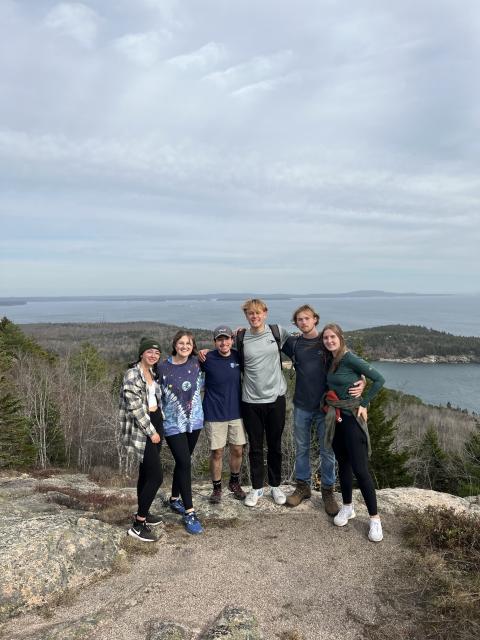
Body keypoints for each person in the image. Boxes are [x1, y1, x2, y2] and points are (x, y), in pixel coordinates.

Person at [282, 305, 364, 515]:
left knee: (328, 450)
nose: (303, 322)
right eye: (299, 320)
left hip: (325, 408)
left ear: (315, 319)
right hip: (301, 405)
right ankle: (303, 486)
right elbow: (267, 337)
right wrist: (240, 333)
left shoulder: (326, 341)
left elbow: (349, 362)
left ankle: (328, 490)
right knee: (302, 448)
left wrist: (362, 380)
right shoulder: (294, 343)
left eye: (307, 318)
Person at [321, 323, 385, 542]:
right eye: (326, 338)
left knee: (360, 468)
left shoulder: (349, 358)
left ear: (340, 337)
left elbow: (380, 379)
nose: (329, 341)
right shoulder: (332, 359)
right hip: (336, 419)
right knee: (343, 463)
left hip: (351, 418)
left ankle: (375, 519)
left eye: (332, 337)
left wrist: (364, 401)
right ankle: (347, 507)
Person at [237, 298, 291, 507]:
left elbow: (302, 348)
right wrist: (203, 354)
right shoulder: (240, 337)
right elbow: (225, 355)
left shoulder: (277, 332)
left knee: (275, 445)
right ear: (246, 316)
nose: (255, 316)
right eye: (251, 313)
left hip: (276, 399)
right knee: (256, 447)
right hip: (250, 401)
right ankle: (257, 488)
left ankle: (276, 486)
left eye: (258, 313)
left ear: (265, 313)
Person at [156, 331, 204, 535]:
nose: (185, 346)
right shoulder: (162, 367)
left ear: (193, 346)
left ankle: (175, 499)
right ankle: (190, 512)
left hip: (194, 421)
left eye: (188, 343)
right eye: (181, 343)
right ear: (174, 344)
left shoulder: (197, 364)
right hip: (172, 424)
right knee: (185, 462)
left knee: (183, 462)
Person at [119, 337, 164, 542]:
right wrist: (151, 431)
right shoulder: (132, 374)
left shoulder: (153, 372)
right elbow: (135, 407)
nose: (153, 355)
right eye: (150, 352)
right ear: (141, 353)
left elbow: (155, 399)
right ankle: (138, 524)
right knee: (156, 477)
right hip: (143, 428)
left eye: (157, 353)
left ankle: (143, 512)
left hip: (156, 421)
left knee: (146, 474)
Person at [201, 326, 247, 503]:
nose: (224, 342)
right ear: (215, 342)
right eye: (219, 339)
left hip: (236, 411)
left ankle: (234, 483)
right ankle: (217, 488)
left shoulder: (238, 356)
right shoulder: (207, 358)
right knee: (217, 452)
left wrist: (244, 332)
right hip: (214, 413)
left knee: (237, 449)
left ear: (231, 340)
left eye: (226, 339)